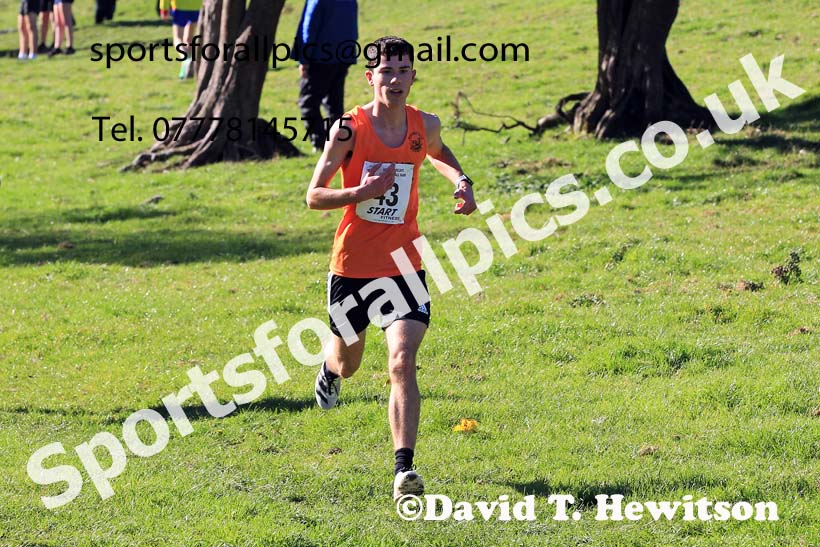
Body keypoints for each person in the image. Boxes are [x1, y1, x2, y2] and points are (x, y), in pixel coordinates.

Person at [305, 36, 477, 500]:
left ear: (413, 76)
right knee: (350, 362)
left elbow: (437, 153)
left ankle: (404, 471)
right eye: (386, 71)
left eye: (404, 70)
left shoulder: (425, 124)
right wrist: (362, 192)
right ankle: (329, 368)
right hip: (352, 266)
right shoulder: (348, 129)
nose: (395, 80)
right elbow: (314, 195)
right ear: (370, 77)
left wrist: (461, 180)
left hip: (405, 264)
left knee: (402, 361)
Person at [291, 0, 358, 151]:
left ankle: (320, 143)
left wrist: (304, 59)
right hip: (341, 57)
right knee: (334, 105)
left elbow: (309, 28)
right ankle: (339, 143)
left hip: (319, 58)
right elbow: (353, 28)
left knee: (308, 103)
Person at [159, 0, 201, 79]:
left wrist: (164, 8)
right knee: (188, 39)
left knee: (177, 38)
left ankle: (185, 59)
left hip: (180, 6)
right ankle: (185, 71)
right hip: (197, 6)